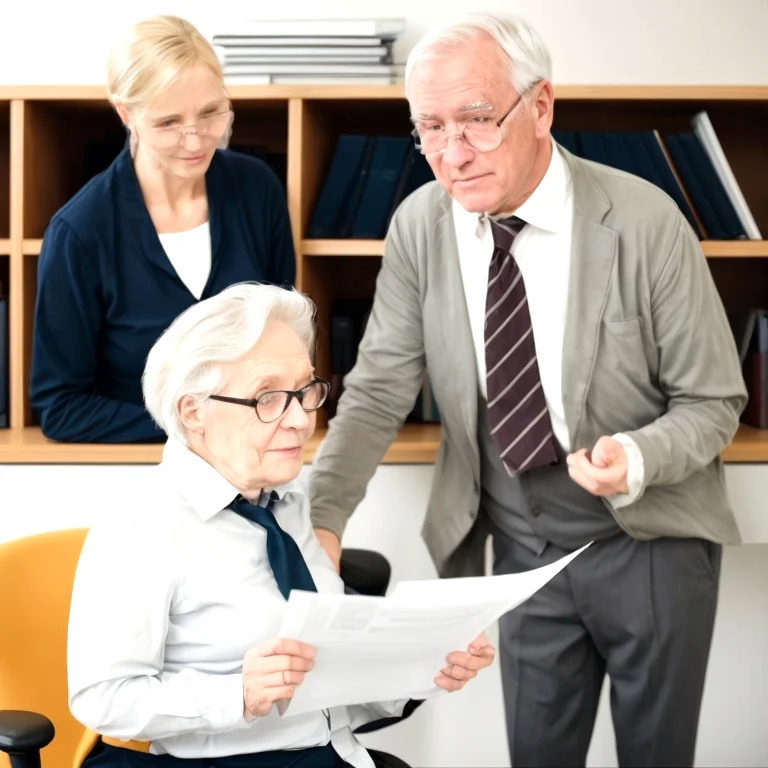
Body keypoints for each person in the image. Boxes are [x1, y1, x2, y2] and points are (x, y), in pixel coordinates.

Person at [308, 11, 748, 768]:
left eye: (476, 121)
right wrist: (323, 518)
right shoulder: (420, 225)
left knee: (656, 755)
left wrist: (636, 457)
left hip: (648, 538)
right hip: (521, 547)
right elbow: (379, 388)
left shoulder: (645, 220)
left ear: (540, 106)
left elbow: (713, 401)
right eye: (430, 129)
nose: (452, 154)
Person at [67, 282, 495, 768]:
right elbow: (103, 699)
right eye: (267, 398)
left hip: (328, 752)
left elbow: (329, 682)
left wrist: (425, 670)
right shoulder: (142, 524)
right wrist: (237, 694)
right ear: (194, 412)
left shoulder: (287, 502)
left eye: (304, 391)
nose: (299, 420)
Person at [30, 15, 295, 444]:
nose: (195, 141)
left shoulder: (256, 188)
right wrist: (199, 427)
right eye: (168, 122)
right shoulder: (79, 233)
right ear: (126, 114)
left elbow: (288, 342)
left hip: (258, 457)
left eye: (211, 113)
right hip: (141, 472)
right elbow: (61, 408)